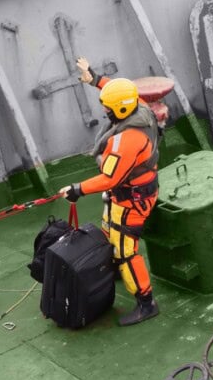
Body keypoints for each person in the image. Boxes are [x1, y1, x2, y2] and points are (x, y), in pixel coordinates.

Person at [58, 58, 161, 326]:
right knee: (109, 233)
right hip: (123, 196)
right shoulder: (139, 105)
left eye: (108, 108)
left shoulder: (129, 139)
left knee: (127, 250)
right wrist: (93, 78)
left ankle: (146, 303)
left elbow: (109, 177)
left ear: (119, 110)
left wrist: (77, 190)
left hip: (133, 201)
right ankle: (117, 269)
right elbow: (120, 92)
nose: (105, 110)